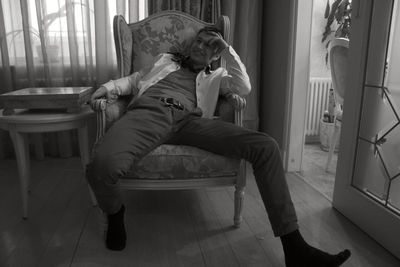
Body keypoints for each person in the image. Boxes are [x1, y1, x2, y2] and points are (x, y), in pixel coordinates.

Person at [87, 26, 351, 267]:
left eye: (209, 45)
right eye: (199, 41)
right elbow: (134, 80)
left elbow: (244, 87)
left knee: (266, 146)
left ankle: (295, 248)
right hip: (148, 114)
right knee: (102, 165)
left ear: (216, 55)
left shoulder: (217, 75)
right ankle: (115, 212)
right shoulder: (165, 60)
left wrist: (227, 48)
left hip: (191, 122)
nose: (201, 46)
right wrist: (108, 87)